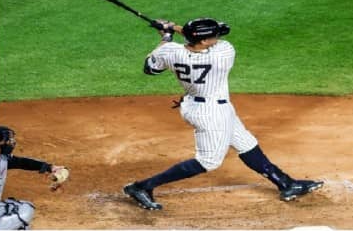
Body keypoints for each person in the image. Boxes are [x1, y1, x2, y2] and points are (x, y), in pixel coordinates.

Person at [121, 18, 321, 211]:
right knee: (209, 161)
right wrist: (173, 26)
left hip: (197, 104)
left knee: (246, 143)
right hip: (212, 113)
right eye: (214, 36)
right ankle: (142, 186)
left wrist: (165, 36)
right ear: (205, 41)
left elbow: (150, 68)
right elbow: (193, 37)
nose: (217, 38)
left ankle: (286, 184)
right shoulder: (223, 53)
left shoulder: (170, 51)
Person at [0, 125, 71, 230]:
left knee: (23, 225)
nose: (9, 143)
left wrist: (49, 167)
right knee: (25, 210)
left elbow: (22, 162)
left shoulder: (0, 158)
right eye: (6, 141)